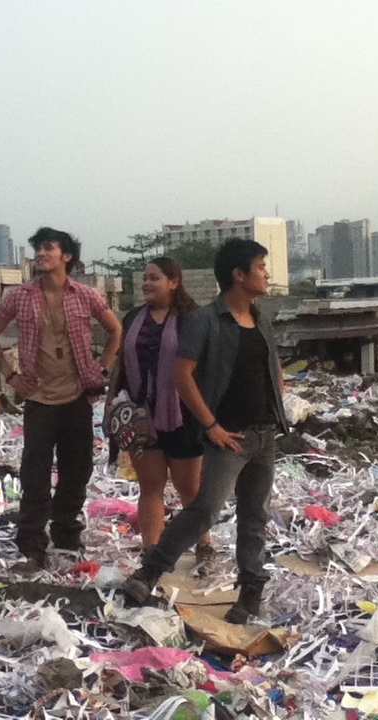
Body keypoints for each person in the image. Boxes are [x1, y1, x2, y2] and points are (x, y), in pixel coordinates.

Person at [122, 238, 289, 624]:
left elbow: (273, 368)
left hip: (264, 435)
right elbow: (182, 376)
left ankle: (249, 595)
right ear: (239, 274)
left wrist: (277, 407)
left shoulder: (260, 318)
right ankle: (149, 572)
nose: (266, 274)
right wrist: (211, 425)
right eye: (261, 267)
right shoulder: (204, 321)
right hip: (228, 437)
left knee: (255, 517)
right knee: (203, 511)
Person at [0, 227, 122, 569]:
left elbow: (116, 330)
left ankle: (67, 538)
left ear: (66, 256)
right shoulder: (20, 296)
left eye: (48, 248)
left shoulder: (85, 295)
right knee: (35, 476)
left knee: (76, 473)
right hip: (40, 401)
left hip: (76, 398)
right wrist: (12, 376)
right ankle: (31, 544)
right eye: (38, 249)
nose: (41, 255)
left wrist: (101, 369)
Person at [107, 258, 212, 557]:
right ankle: (151, 554)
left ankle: (203, 545)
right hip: (141, 417)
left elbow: (203, 368)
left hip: (185, 416)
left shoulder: (194, 319)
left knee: (189, 490)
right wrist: (110, 406)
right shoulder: (133, 318)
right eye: (145, 278)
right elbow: (120, 366)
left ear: (174, 282)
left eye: (154, 278)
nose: (146, 284)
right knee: (150, 487)